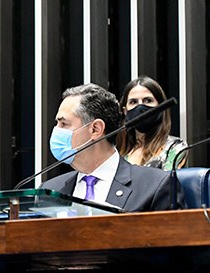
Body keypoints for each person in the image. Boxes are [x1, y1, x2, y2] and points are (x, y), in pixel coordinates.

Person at [40, 83, 183, 212]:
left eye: (63, 124)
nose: (56, 130)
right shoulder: (49, 190)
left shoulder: (156, 185)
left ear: (96, 129)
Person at [116, 76, 187, 170]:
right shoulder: (116, 152)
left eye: (148, 100)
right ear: (125, 111)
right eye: (133, 102)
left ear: (161, 107)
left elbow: (167, 178)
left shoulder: (174, 147)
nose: (140, 107)